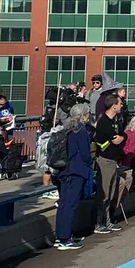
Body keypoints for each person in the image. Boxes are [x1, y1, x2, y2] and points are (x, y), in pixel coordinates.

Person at [54, 103, 93, 250]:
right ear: (83, 115)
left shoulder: (67, 128)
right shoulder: (80, 130)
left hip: (64, 170)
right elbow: (85, 153)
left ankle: (60, 235)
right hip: (76, 170)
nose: (89, 116)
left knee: (64, 203)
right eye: (88, 114)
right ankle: (65, 238)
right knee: (71, 204)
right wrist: (90, 163)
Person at [91, 93, 125, 234]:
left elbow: (122, 134)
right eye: (119, 103)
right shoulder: (104, 122)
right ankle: (99, 223)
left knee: (111, 192)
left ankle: (108, 221)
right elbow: (112, 139)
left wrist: (122, 137)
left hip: (113, 160)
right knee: (103, 193)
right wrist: (118, 139)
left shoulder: (116, 120)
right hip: (105, 161)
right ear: (113, 106)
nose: (121, 105)